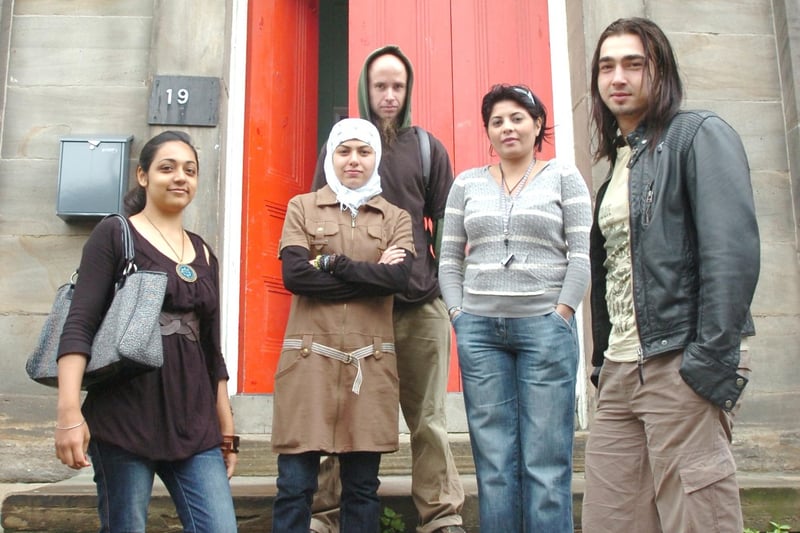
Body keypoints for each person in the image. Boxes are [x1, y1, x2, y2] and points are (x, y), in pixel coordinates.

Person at [581, 18, 760, 533]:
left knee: (698, 518)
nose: (618, 76)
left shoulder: (697, 135)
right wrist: (600, 364)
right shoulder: (615, 168)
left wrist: (708, 358)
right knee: (610, 520)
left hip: (678, 360)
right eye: (607, 65)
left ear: (661, 71)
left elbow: (732, 253)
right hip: (619, 371)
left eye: (634, 63)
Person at [310, 45, 466, 533]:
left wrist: (441, 281)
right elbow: (318, 217)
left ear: (408, 90)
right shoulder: (344, 146)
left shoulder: (426, 147)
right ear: (365, 88)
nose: (390, 95)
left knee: (429, 420)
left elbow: (447, 221)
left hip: (419, 304)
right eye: (381, 85)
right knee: (343, 416)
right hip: (354, 305)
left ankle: (441, 515)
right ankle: (327, 514)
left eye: (398, 86)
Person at [54, 130, 239, 533]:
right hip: (124, 417)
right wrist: (68, 412)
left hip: (194, 421)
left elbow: (212, 349)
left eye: (189, 170)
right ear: (142, 176)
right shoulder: (114, 234)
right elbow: (80, 323)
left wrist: (225, 424)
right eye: (167, 168)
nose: (180, 178)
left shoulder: (205, 252)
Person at [438, 83, 592, 532]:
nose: (507, 128)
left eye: (517, 118)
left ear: (538, 123)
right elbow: (448, 258)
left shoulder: (564, 177)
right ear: (488, 130)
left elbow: (581, 255)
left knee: (546, 462)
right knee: (494, 464)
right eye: (497, 121)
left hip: (544, 326)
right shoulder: (466, 184)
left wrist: (562, 311)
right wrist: (459, 316)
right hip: (480, 332)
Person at [271, 118, 414, 532]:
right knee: (295, 484)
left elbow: (398, 280)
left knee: (362, 487)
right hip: (308, 362)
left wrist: (333, 264)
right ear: (330, 156)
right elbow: (295, 276)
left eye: (364, 151)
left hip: (370, 366)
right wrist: (369, 275)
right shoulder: (301, 207)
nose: (354, 161)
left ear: (377, 158)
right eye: (344, 151)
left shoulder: (396, 218)